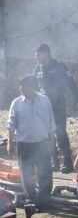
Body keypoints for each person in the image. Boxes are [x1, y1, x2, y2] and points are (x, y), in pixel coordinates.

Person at [7, 76, 56, 207]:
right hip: (24, 145)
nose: (21, 89)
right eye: (20, 87)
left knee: (44, 172)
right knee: (26, 174)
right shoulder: (16, 103)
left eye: (24, 86)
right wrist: (10, 143)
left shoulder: (45, 101)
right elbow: (11, 124)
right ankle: (32, 200)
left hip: (42, 143)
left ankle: (45, 200)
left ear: (31, 86)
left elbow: (51, 123)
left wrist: (52, 142)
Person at [32, 44, 78, 173]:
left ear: (46, 54)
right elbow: (33, 88)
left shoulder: (60, 67)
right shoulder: (37, 69)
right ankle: (54, 162)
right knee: (48, 135)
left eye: (38, 55)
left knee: (60, 134)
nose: (36, 57)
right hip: (43, 107)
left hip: (57, 106)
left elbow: (71, 84)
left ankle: (68, 162)